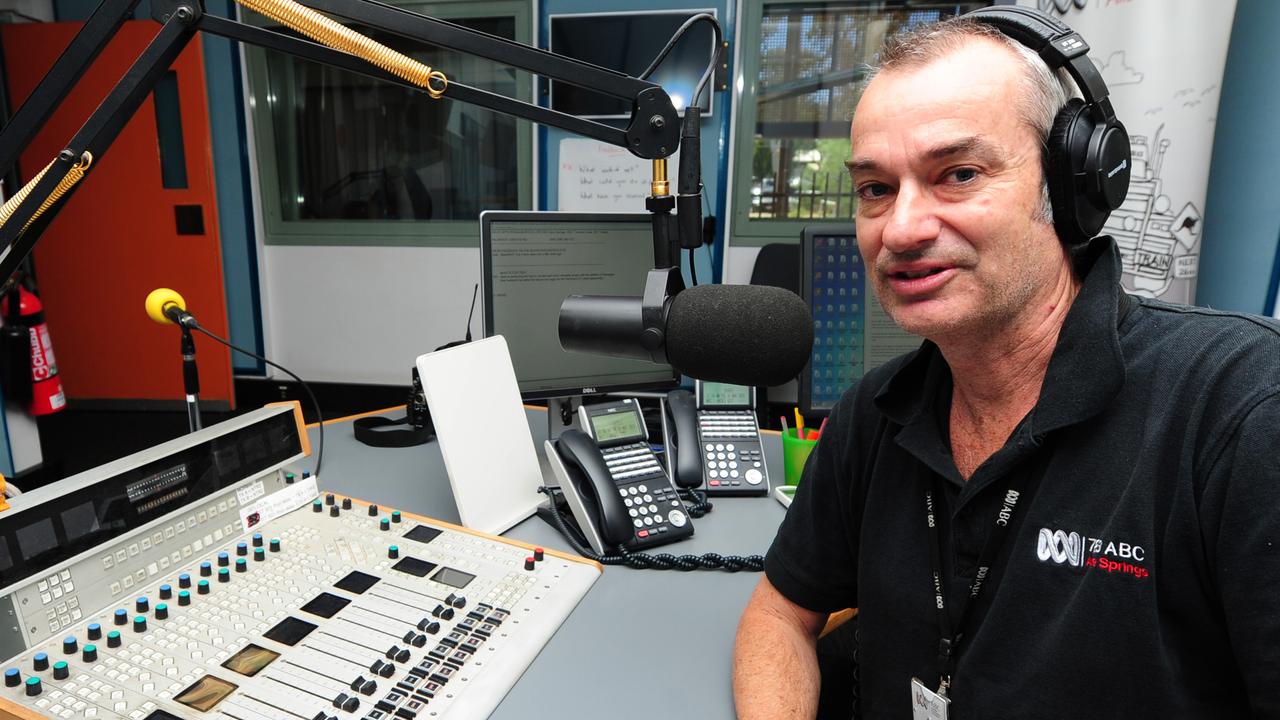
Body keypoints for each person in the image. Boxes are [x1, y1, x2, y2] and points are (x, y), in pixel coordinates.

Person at [732, 12, 1280, 720]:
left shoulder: (1240, 408)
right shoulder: (876, 413)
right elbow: (779, 614)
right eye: (875, 189)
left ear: (1069, 187)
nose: (900, 228)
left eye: (957, 175)